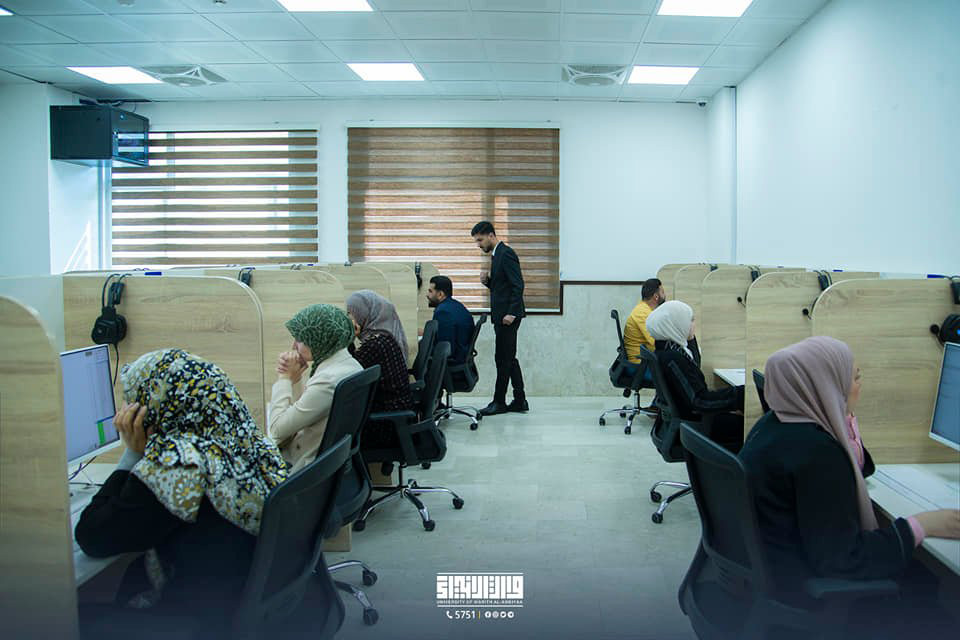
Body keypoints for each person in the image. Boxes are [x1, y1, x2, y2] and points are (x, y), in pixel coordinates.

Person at [739, 337, 960, 622]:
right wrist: (923, 525)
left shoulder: (774, 425)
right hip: (807, 593)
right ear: (826, 386)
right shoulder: (817, 452)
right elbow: (845, 559)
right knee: (928, 583)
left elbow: (852, 472)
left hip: (771, 577)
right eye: (853, 377)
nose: (859, 385)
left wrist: (844, 427)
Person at [74, 349, 288, 638]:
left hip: (201, 614)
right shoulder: (249, 442)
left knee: (65, 616)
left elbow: (93, 536)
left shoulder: (179, 464)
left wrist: (133, 452)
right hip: (248, 598)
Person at [268, 303, 362, 473]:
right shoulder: (347, 364)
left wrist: (284, 378)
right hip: (324, 463)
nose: (294, 346)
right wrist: (296, 379)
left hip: (302, 468)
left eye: (300, 339)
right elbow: (300, 413)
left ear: (319, 338)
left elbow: (276, 430)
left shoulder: (328, 380)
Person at [645, 300, 744, 452]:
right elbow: (700, 400)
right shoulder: (674, 359)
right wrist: (741, 395)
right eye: (690, 320)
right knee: (752, 423)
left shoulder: (667, 351)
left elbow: (695, 368)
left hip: (688, 423)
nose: (693, 324)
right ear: (675, 324)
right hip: (698, 426)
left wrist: (689, 339)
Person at [472, 220, 527, 415]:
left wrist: (511, 313)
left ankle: (499, 402)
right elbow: (502, 287)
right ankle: (520, 400)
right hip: (502, 316)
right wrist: (488, 282)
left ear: (491, 235)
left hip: (507, 317)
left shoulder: (506, 253)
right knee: (508, 358)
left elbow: (518, 285)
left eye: (480, 240)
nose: (479, 245)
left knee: (503, 359)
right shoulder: (497, 255)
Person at [346, 290, 414, 448]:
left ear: (364, 314)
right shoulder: (384, 337)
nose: (348, 319)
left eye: (351, 313)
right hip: (396, 414)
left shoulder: (374, 345)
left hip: (386, 423)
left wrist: (349, 338)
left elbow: (348, 371)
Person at [426, 274, 474, 365]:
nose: (427, 295)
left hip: (453, 362)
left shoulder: (443, 312)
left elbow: (444, 347)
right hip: (462, 356)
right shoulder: (455, 306)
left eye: (430, 291)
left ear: (440, 294)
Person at [624, 278, 667, 363]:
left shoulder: (645, 309)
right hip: (640, 363)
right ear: (656, 297)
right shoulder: (642, 313)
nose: (665, 295)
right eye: (663, 292)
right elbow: (655, 341)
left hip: (646, 358)